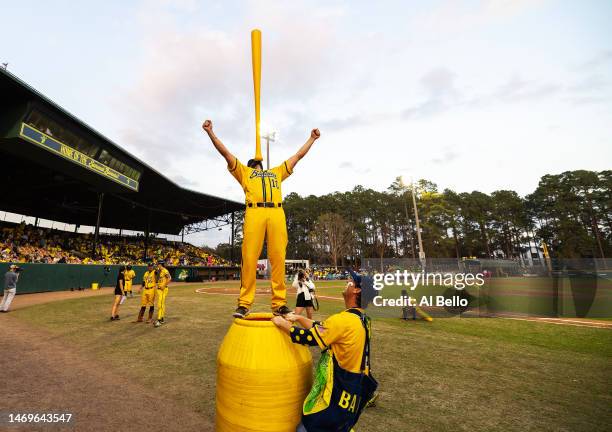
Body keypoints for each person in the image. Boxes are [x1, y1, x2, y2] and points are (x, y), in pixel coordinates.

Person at [202, 119, 321, 318]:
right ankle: (244, 303)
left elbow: (297, 156)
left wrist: (312, 139)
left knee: (278, 257)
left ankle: (279, 303)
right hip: (254, 212)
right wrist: (210, 133)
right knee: (249, 257)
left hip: (276, 212)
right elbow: (226, 154)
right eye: (254, 163)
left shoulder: (275, 172)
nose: (256, 164)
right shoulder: (245, 172)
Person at [272, 270, 377, 431]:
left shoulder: (343, 320)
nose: (347, 282)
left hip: (337, 395)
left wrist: (282, 323)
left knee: (306, 428)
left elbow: (307, 338)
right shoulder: (362, 319)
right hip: (353, 396)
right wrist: (299, 318)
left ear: (357, 290)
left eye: (351, 282)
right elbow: (324, 330)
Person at [154, 261, 171, 328]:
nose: (157, 265)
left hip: (163, 289)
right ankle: (162, 318)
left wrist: (164, 285)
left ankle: (159, 320)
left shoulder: (165, 271)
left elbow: (169, 278)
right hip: (159, 289)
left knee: (160, 304)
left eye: (158, 264)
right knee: (161, 304)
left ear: (161, 264)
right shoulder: (159, 271)